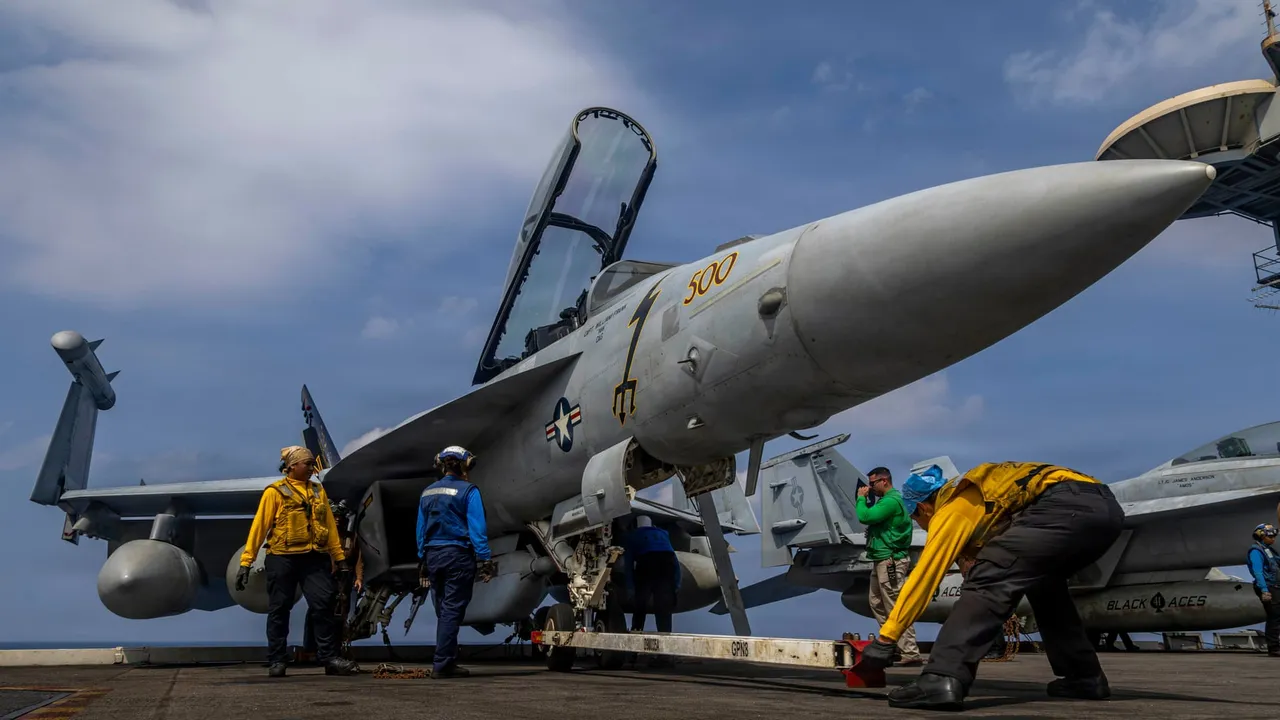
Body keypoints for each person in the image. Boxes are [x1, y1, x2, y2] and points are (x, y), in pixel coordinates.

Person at [858, 461, 1125, 711]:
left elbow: (925, 577)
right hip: (1105, 511)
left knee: (989, 579)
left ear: (923, 507)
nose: (919, 524)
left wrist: (886, 639)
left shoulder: (952, 506)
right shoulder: (980, 497)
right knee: (1046, 588)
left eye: (916, 517)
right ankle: (1084, 676)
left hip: (1062, 507)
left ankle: (942, 677)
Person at [236, 446, 358, 678]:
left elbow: (330, 527)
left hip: (315, 558)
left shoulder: (317, 491)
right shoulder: (275, 492)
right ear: (292, 466)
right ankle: (277, 660)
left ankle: (330, 658)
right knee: (279, 609)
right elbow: (259, 527)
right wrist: (246, 562)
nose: (313, 468)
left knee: (324, 606)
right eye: (308, 464)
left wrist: (339, 558)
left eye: (313, 463)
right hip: (282, 557)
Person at [417, 445, 494, 679]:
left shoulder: (427, 492)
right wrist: (485, 558)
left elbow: (420, 530)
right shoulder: (469, 491)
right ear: (465, 465)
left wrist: (422, 558)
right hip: (457, 555)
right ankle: (443, 664)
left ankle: (444, 657)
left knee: (443, 609)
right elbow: (477, 529)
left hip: (432, 556)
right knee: (452, 610)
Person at [856, 466, 922, 666]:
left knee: (895, 606)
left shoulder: (892, 501)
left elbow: (865, 517)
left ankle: (910, 652)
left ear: (884, 481)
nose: (870, 487)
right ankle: (890, 644)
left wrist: (861, 499)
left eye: (873, 483)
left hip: (890, 560)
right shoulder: (888, 501)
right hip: (881, 559)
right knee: (876, 602)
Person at [1246, 523, 1280, 657]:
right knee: (1274, 617)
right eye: (1270, 536)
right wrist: (1265, 590)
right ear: (1261, 536)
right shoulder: (1256, 551)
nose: (1273, 539)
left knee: (1277, 616)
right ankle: (1274, 648)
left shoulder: (1267, 550)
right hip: (1269, 587)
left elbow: (1277, 561)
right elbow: (1258, 572)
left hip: (1275, 586)